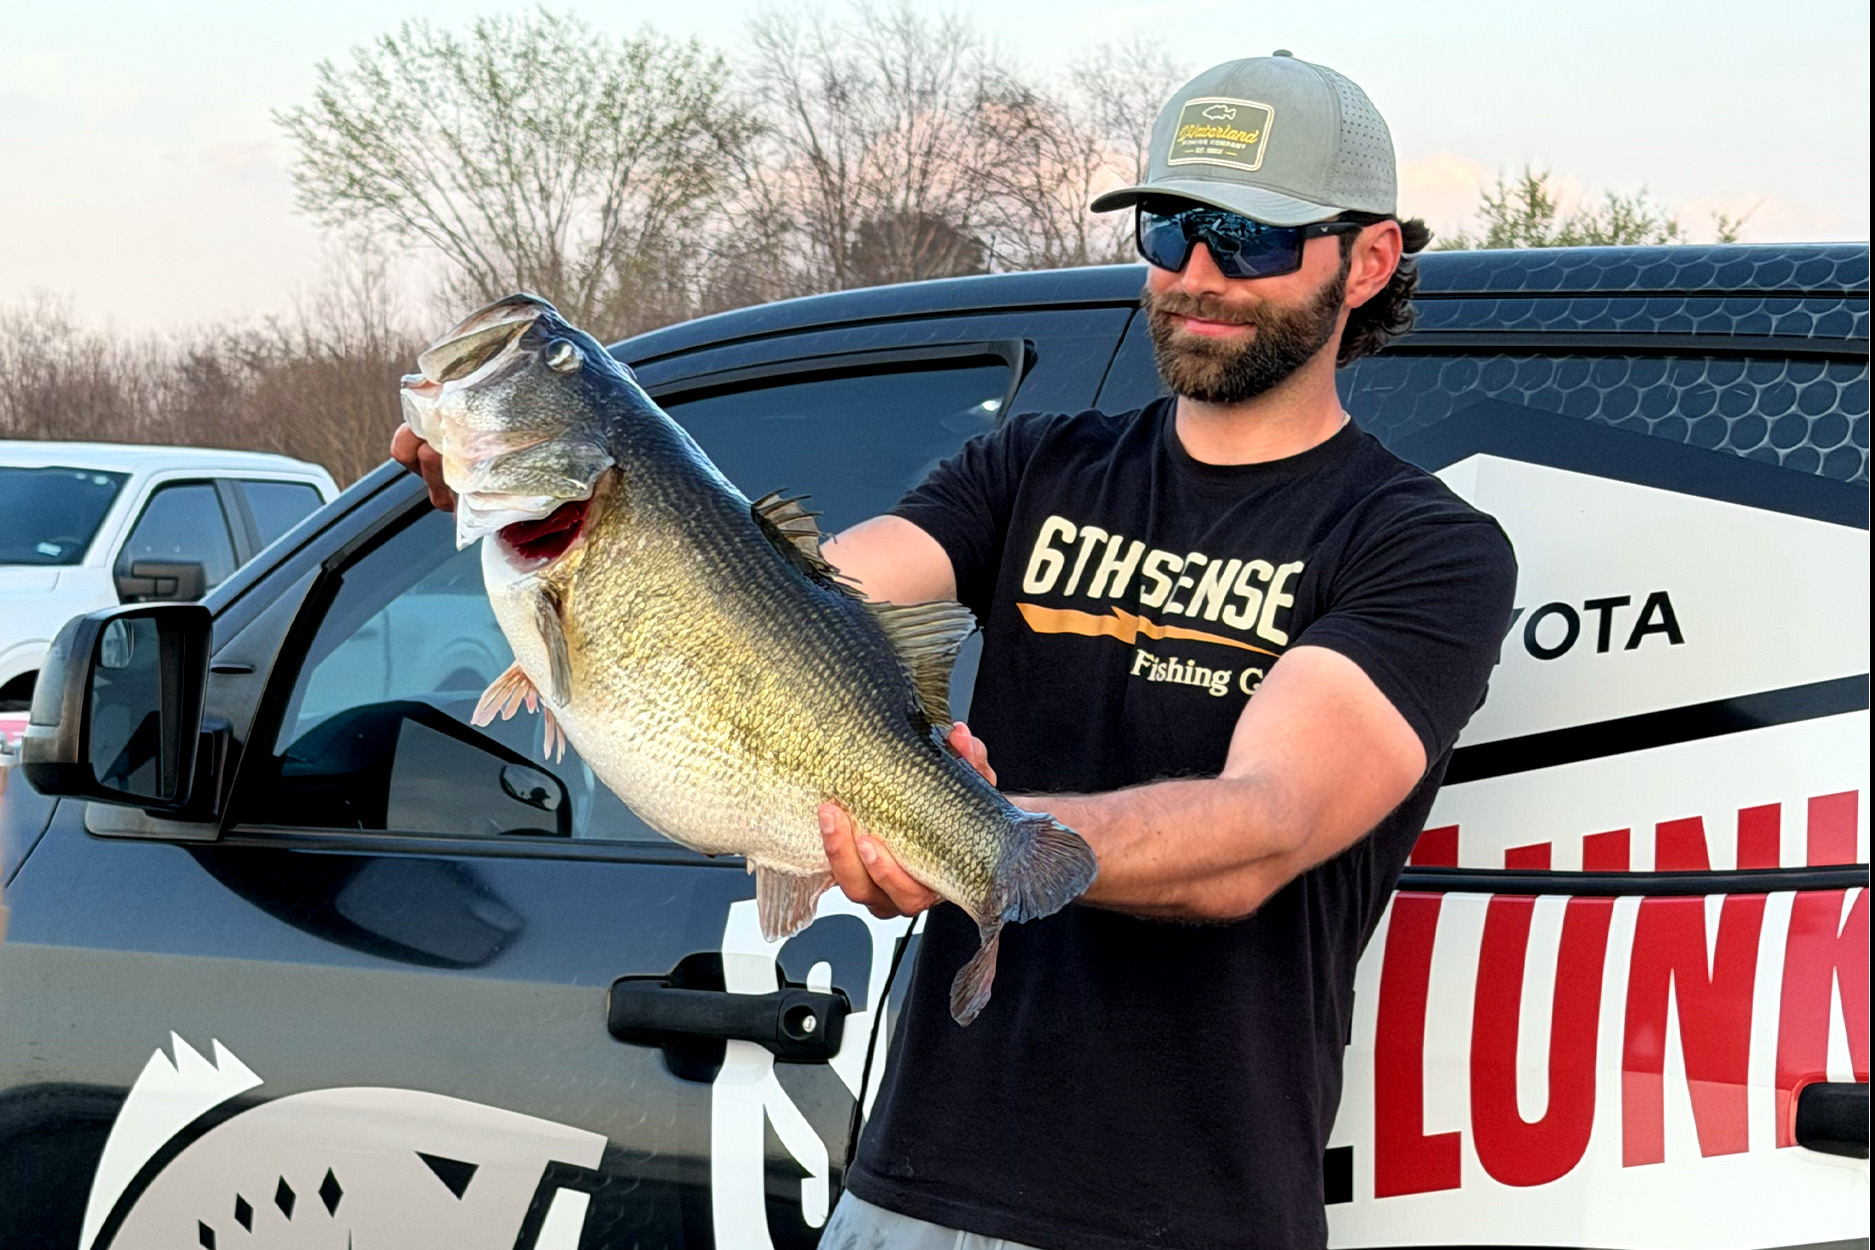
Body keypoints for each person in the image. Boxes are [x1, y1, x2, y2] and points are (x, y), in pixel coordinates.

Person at [395, 53, 1516, 1250]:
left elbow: (1266, 821)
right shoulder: (1030, 466)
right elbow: (806, 602)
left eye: (1248, 237)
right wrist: (551, 508)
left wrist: (977, 840)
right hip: (910, 1191)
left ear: (1371, 259)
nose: (1197, 273)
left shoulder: (1422, 546)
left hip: (1187, 1218)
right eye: (1170, 227)